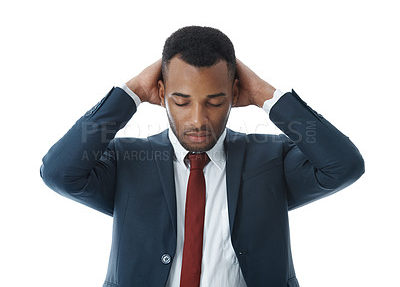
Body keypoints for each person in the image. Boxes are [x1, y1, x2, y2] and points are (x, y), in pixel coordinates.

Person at [40, 26, 365, 287]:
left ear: (235, 94)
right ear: (163, 94)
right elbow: (58, 171)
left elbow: (343, 164)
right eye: (182, 102)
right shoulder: (128, 160)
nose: (198, 119)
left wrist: (268, 96)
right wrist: (132, 93)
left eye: (215, 101)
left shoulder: (271, 158)